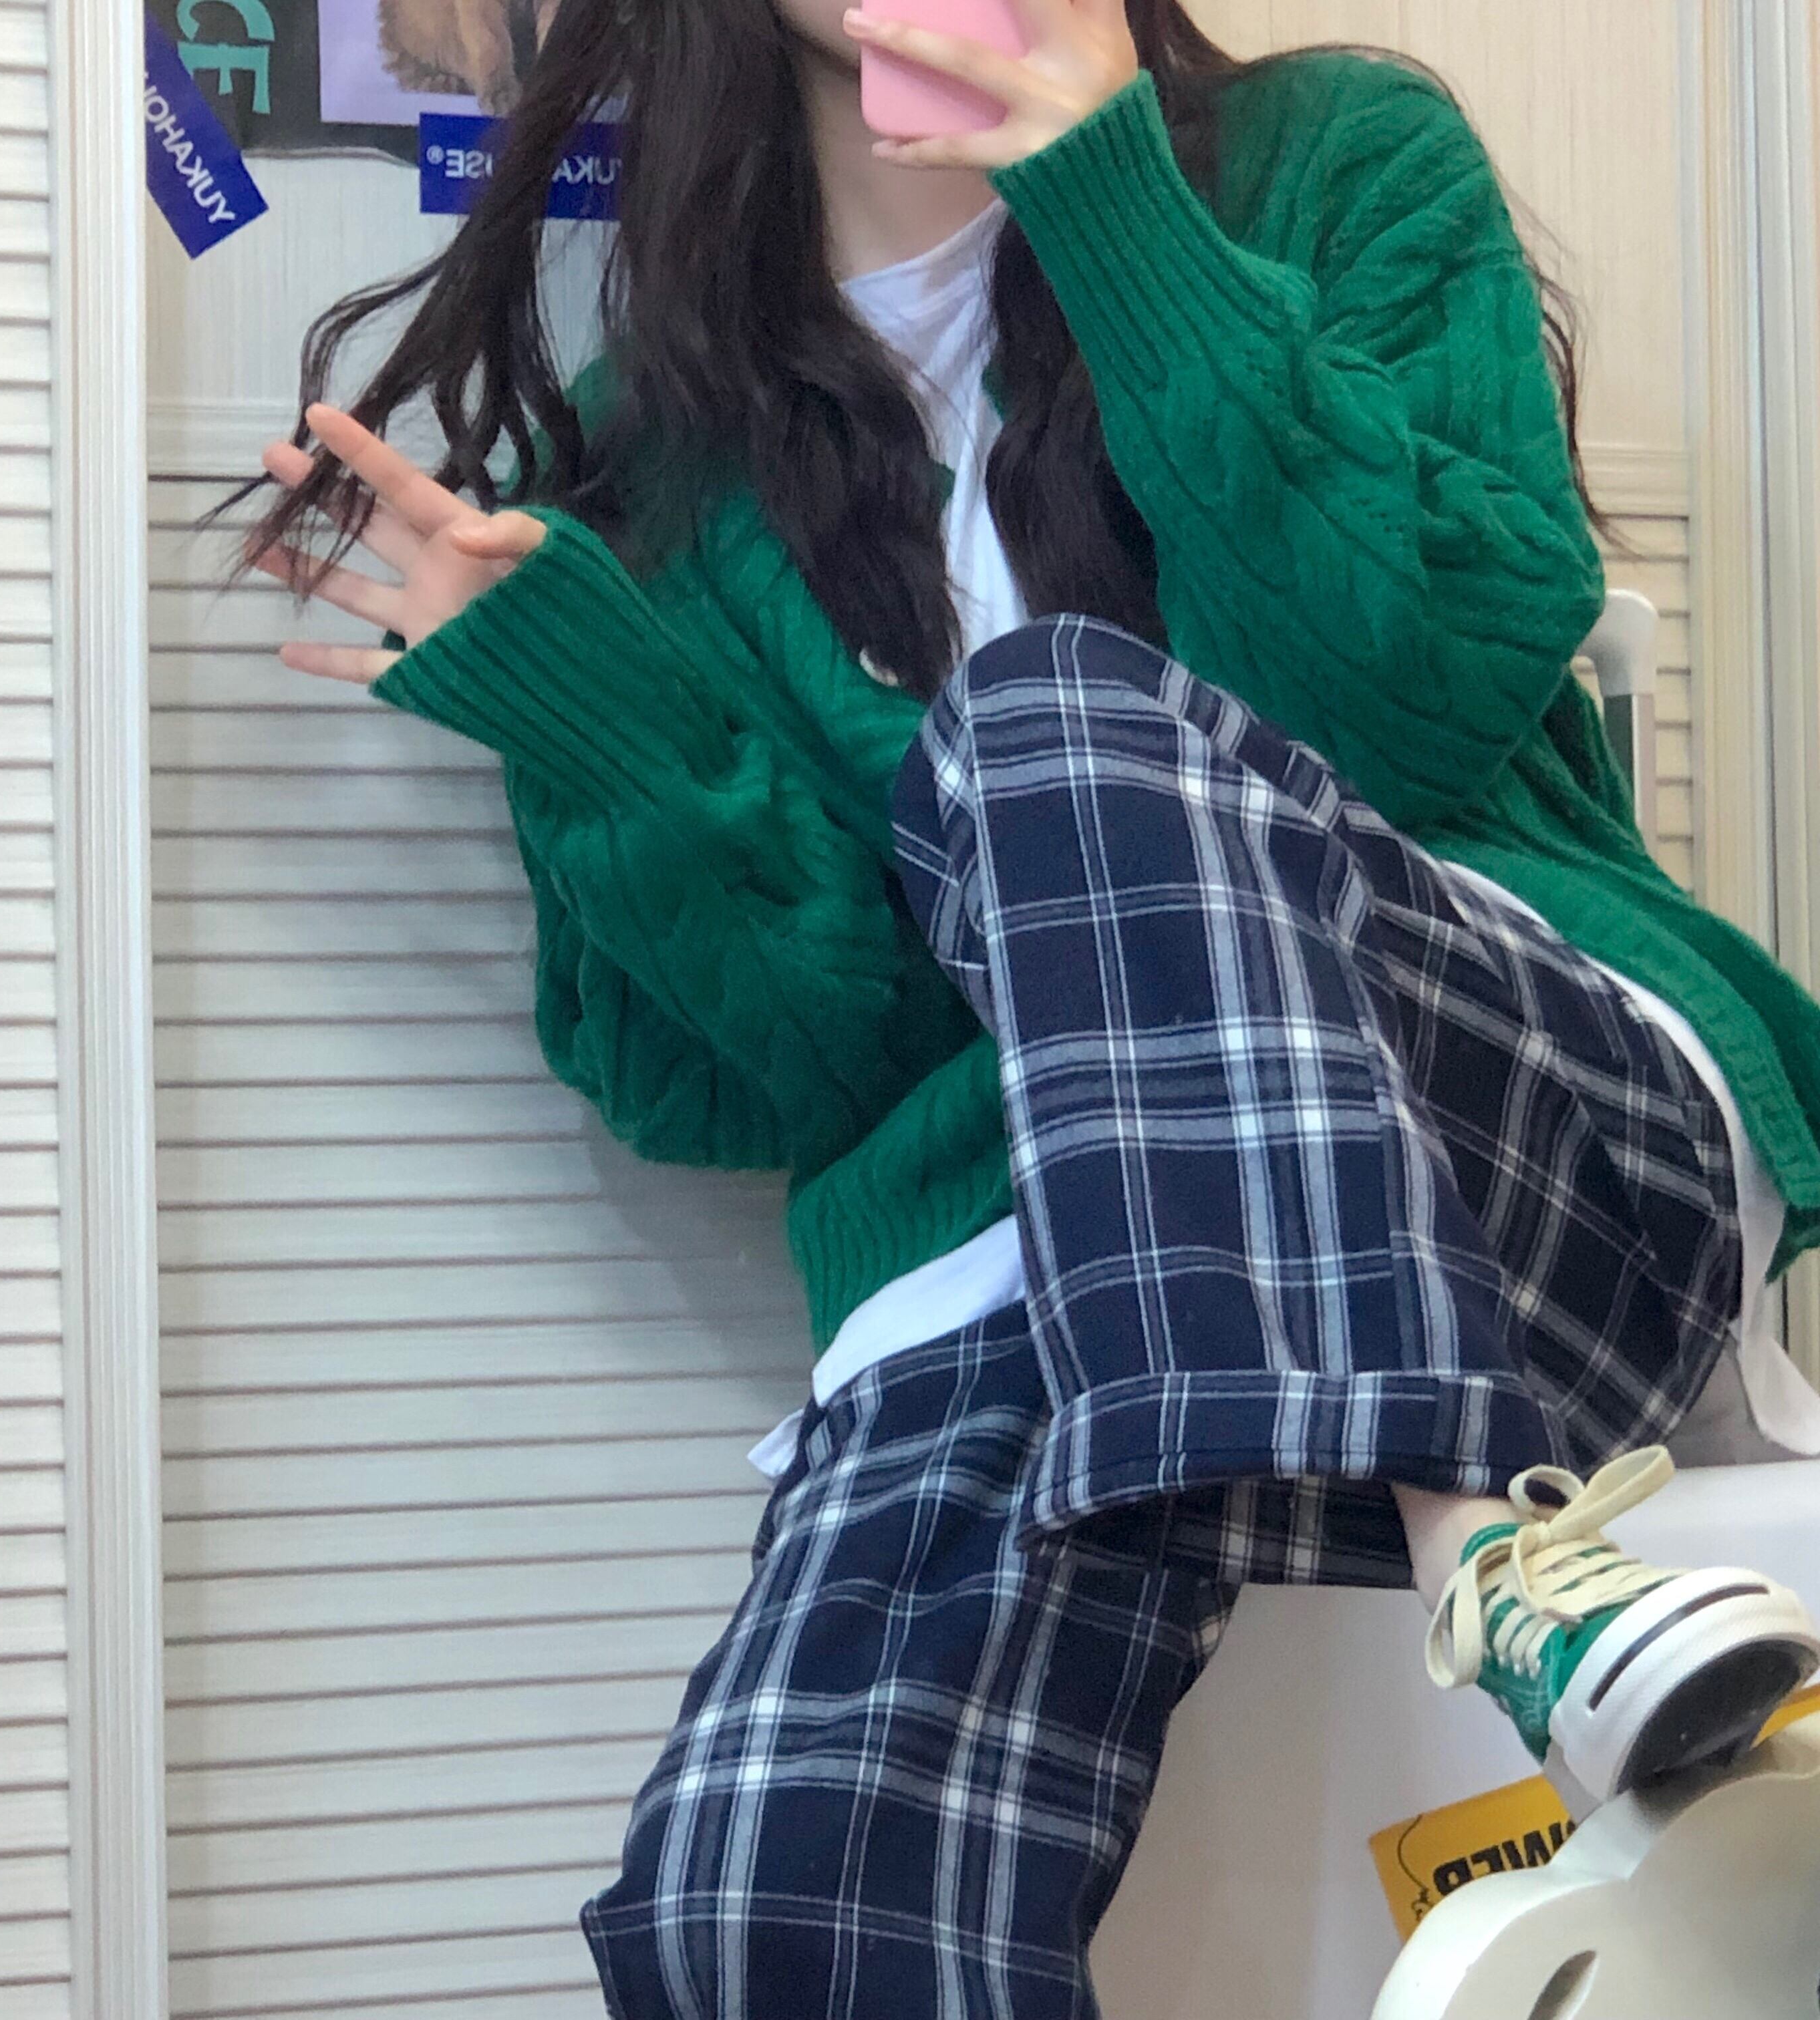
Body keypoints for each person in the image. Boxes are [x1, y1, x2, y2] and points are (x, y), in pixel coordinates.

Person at [231, 0, 1820, 2009]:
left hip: (1538, 1173)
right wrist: (604, 725)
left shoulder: (1332, 166)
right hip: (1055, 1299)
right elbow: (815, 1078)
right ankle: (1494, 1573)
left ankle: (1482, 1540)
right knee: (766, 1907)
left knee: (1049, 725)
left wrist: (1111, 204)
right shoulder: (670, 436)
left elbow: (1414, 704)